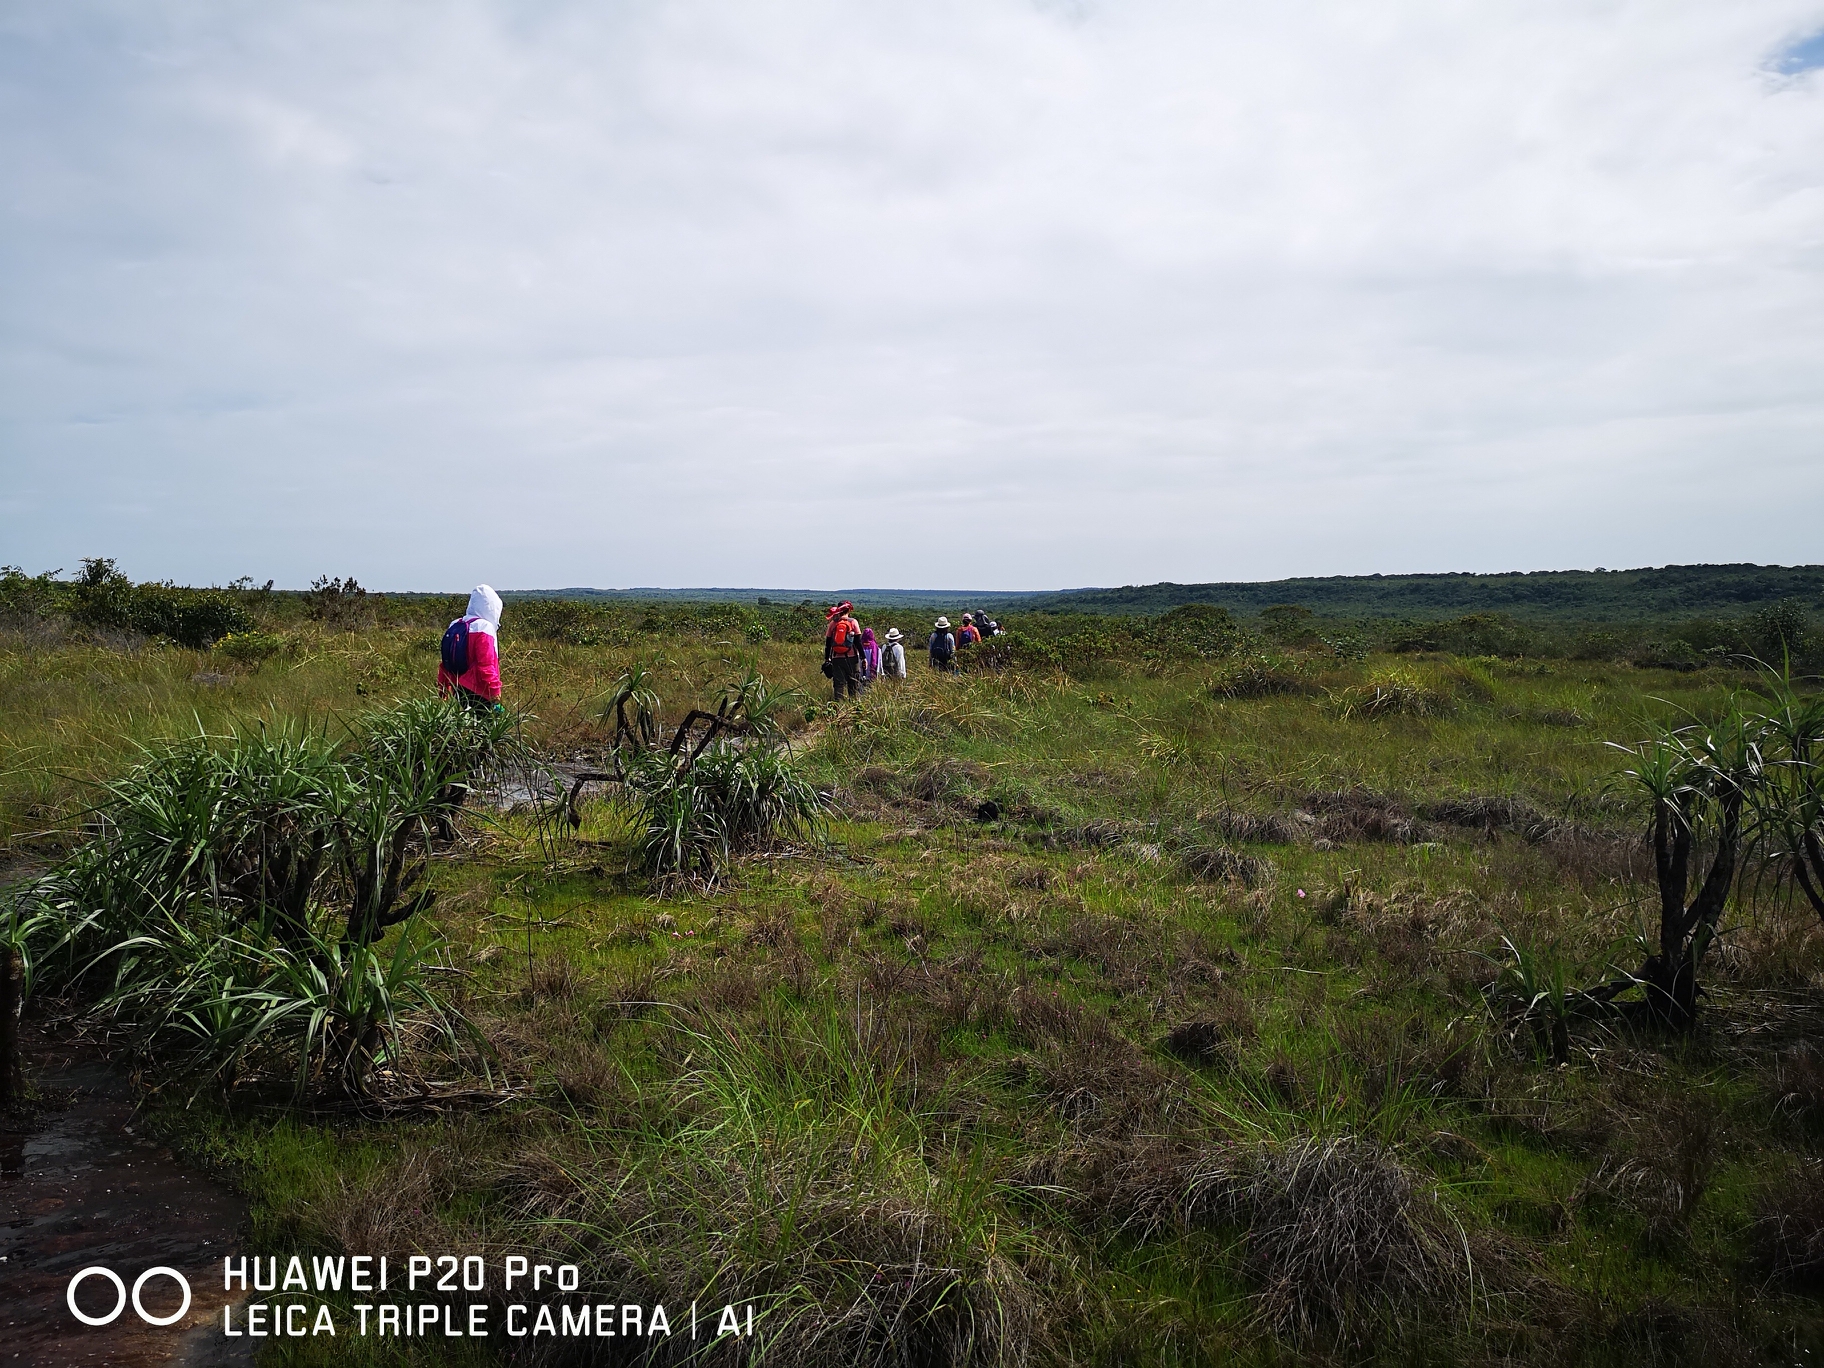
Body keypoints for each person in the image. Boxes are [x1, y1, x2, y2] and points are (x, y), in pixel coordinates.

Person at [437, 584, 505, 712]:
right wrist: (495, 691)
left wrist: (444, 688)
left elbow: (446, 660)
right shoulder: (485, 627)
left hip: (458, 688)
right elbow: (485, 665)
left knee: (469, 723)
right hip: (480, 690)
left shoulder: (455, 624)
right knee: (487, 728)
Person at [824, 600, 863, 700]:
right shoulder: (853, 622)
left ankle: (837, 709)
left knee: (838, 685)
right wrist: (863, 658)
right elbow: (858, 642)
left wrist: (827, 659)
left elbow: (828, 644)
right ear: (849, 610)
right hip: (852, 658)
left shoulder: (833, 624)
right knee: (853, 683)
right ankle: (854, 708)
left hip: (836, 658)